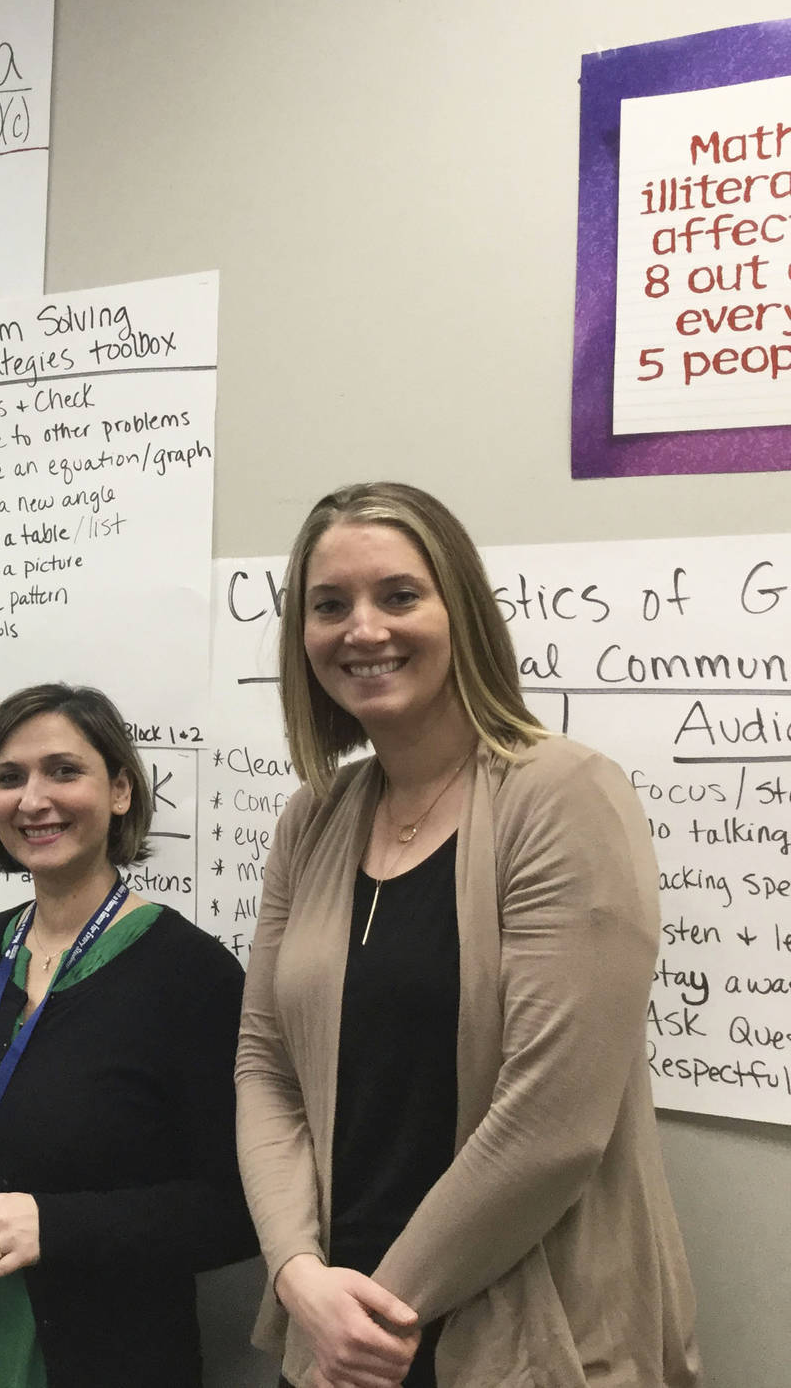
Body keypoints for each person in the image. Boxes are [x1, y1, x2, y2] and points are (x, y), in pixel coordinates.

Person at [236, 482, 703, 1388]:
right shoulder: (315, 816)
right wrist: (298, 1273)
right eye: (329, 605)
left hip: (514, 1333)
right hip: (334, 1326)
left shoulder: (562, 795)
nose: (362, 629)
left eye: (399, 595)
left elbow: (551, 1122)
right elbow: (265, 1060)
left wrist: (374, 1308)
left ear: (462, 611)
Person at [0, 683, 255, 1387]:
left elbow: (236, 1209)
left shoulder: (190, 974)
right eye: (8, 777)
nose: (32, 799)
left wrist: (55, 1226)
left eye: (63, 770)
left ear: (119, 789)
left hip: (108, 1359)